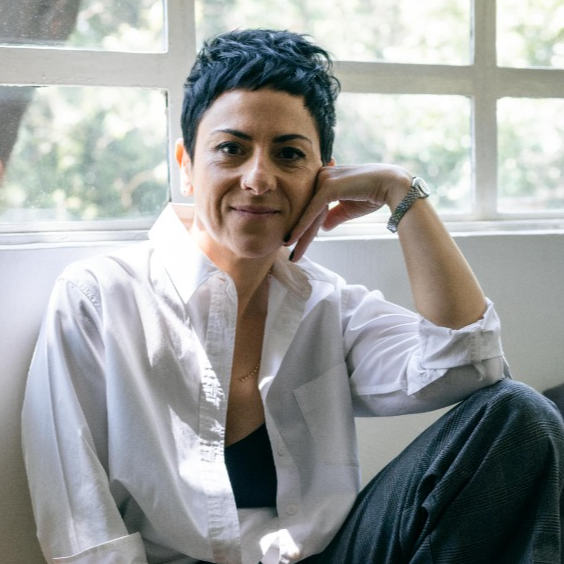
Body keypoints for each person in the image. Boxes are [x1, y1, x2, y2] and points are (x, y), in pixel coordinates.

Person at [22, 29, 564, 564]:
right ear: (186, 165)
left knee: (520, 417)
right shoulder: (100, 297)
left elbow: (469, 366)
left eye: (288, 154)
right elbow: (81, 523)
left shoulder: (328, 306)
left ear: (322, 177)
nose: (259, 179)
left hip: (325, 556)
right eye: (231, 149)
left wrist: (400, 192)